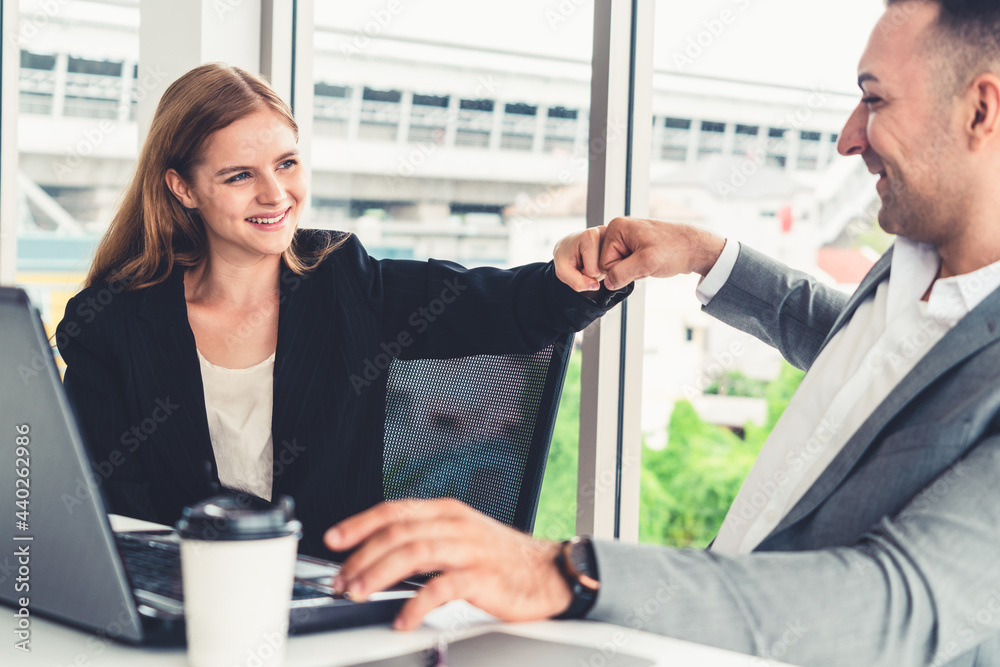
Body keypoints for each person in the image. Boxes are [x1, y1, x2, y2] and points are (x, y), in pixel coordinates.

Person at [322, 1, 1000, 664]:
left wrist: (567, 571)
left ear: (981, 109)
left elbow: (902, 603)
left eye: (875, 100)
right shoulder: (919, 254)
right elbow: (875, 362)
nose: (848, 137)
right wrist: (707, 255)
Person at [55, 63, 629, 557]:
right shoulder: (109, 325)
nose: (275, 195)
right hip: (185, 598)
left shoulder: (346, 280)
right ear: (183, 189)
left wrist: (586, 266)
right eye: (239, 176)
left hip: (333, 599)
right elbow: (115, 515)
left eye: (286, 164)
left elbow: (513, 307)